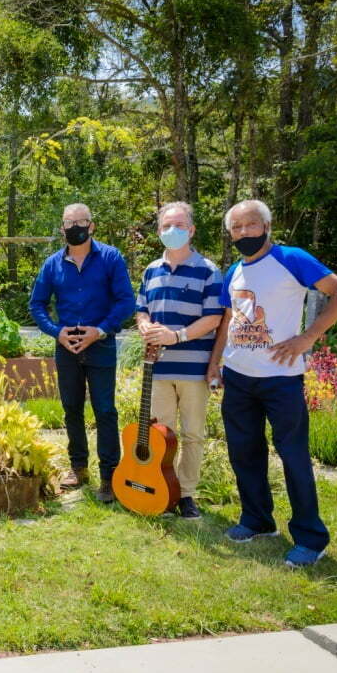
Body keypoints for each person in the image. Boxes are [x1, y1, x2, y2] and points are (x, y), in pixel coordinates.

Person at [207, 199, 337, 567]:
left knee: (293, 457)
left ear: (267, 226)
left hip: (281, 380)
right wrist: (215, 365)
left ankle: (310, 537)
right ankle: (257, 521)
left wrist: (308, 337)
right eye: (237, 228)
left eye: (251, 225)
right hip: (239, 378)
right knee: (244, 453)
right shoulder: (234, 272)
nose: (244, 232)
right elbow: (228, 321)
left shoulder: (292, 259)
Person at [29, 203, 135, 503]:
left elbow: (125, 301)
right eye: (69, 222)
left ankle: (109, 476)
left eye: (81, 221)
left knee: (105, 411)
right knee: (71, 408)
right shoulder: (52, 264)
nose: (75, 227)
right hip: (66, 346)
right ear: (62, 228)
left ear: (92, 226)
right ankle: (78, 468)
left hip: (100, 343)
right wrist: (56, 332)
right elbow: (36, 304)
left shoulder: (111, 258)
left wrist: (99, 331)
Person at [135, 202, 224, 519]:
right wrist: (144, 324)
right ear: (159, 231)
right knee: (162, 436)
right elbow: (142, 308)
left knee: (193, 435)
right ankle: (162, 488)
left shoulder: (209, 271)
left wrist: (178, 336)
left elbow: (214, 317)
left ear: (192, 230)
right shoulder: (151, 270)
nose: (172, 231)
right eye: (166, 226)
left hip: (193, 368)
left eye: (179, 225)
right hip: (157, 369)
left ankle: (186, 494)